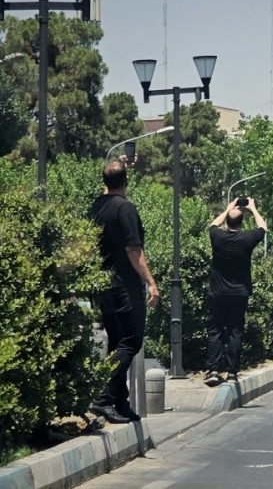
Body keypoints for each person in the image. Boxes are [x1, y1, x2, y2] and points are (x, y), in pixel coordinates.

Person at [89, 160, 160, 424]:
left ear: (104, 181)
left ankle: (120, 402)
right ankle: (103, 399)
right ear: (126, 180)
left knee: (117, 342)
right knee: (131, 342)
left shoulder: (97, 207)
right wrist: (151, 282)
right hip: (124, 286)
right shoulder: (125, 208)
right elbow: (133, 249)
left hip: (104, 285)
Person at [204, 198, 267, 386]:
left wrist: (228, 208)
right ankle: (232, 372)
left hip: (217, 293)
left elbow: (213, 224)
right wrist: (253, 208)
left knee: (215, 330)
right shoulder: (246, 239)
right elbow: (263, 227)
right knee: (235, 331)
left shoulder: (217, 237)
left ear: (227, 222)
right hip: (239, 293)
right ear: (241, 223)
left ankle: (213, 370)